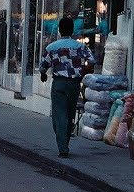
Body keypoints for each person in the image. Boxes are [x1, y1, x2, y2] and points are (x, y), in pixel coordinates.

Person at [39, 16, 95, 158]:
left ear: (59, 30)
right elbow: (92, 61)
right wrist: (83, 71)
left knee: (59, 115)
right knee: (70, 114)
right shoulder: (80, 46)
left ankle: (63, 147)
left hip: (59, 84)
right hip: (74, 84)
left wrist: (43, 74)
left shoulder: (51, 47)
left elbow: (43, 66)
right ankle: (65, 144)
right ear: (72, 30)